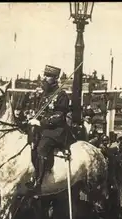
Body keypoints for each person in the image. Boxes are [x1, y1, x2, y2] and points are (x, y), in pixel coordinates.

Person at [27, 65, 72, 193]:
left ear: (56, 78)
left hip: (56, 131)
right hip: (43, 128)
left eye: (48, 76)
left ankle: (38, 182)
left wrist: (41, 122)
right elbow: (40, 112)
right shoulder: (45, 94)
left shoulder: (61, 95)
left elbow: (59, 116)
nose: (45, 78)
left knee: (42, 146)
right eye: (45, 75)